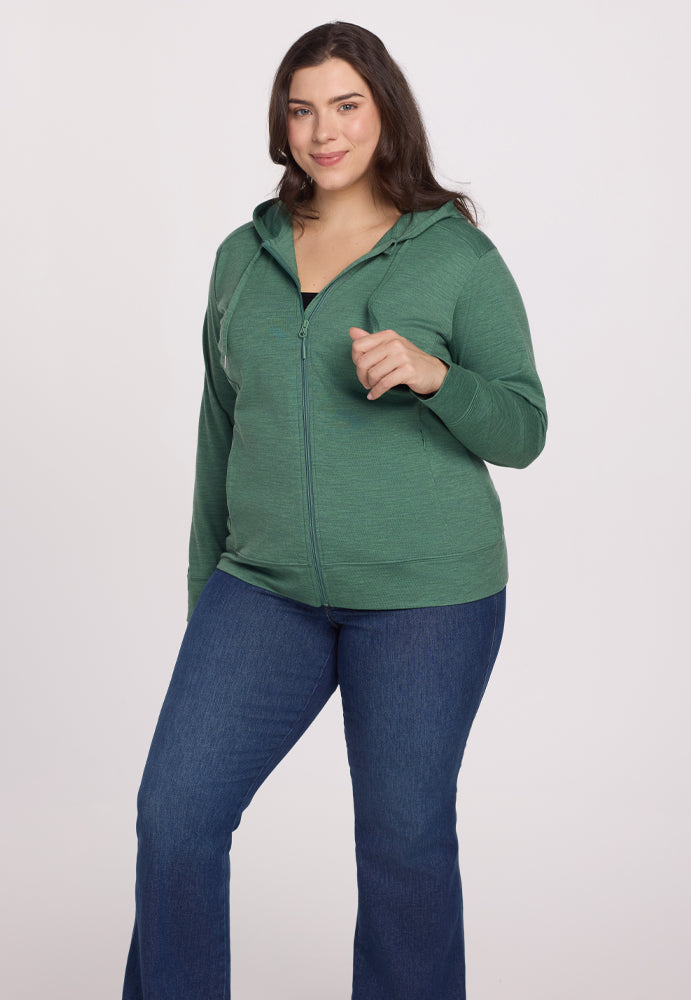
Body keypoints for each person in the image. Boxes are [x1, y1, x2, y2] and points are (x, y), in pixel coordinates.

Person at [121, 20, 547, 1000]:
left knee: (403, 844)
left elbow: (524, 427)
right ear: (282, 124)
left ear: (383, 110)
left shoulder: (455, 257)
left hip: (426, 598)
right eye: (302, 109)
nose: (324, 131)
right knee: (175, 815)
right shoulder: (243, 259)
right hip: (262, 591)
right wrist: (205, 602)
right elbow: (219, 438)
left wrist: (437, 377)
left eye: (346, 106)